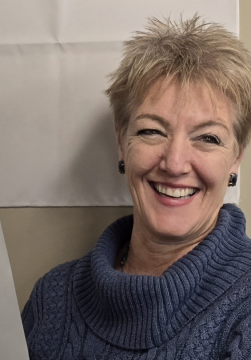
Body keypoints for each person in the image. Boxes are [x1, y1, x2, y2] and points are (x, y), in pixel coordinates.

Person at [22, 15, 251, 359]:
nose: (174, 164)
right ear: (121, 141)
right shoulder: (52, 297)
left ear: (236, 158)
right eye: (151, 131)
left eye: (207, 137)